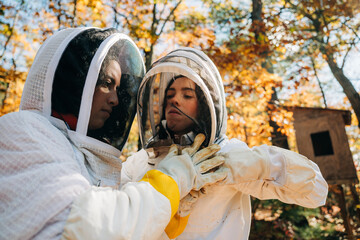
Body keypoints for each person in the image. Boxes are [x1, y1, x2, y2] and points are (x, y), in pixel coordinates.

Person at [0, 28, 227, 240]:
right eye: (107, 83)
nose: (115, 100)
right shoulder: (23, 129)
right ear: (77, 80)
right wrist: (172, 180)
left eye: (118, 88)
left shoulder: (82, 153)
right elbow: (85, 226)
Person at [121, 47, 329, 239]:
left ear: (203, 105)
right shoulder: (141, 161)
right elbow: (114, 218)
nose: (175, 100)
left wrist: (262, 163)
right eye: (170, 95)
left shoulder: (227, 153)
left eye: (187, 95)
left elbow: (317, 192)